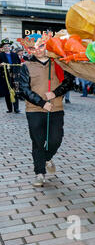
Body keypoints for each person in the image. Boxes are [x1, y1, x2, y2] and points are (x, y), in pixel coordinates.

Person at [18, 33, 73, 187]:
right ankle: (39, 173)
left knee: (56, 139)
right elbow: (24, 89)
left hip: (56, 108)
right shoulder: (26, 66)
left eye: (41, 46)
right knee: (38, 142)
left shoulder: (58, 63)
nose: (38, 50)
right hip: (34, 110)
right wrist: (42, 103)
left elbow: (69, 82)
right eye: (32, 48)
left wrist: (55, 93)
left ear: (46, 45)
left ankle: (47, 158)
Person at [0, 38, 21, 113]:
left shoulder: (15, 55)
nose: (6, 47)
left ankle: (16, 108)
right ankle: (9, 109)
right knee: (7, 92)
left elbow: (19, 63)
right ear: (3, 47)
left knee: (15, 91)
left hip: (14, 76)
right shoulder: (1, 55)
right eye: (5, 46)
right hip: (5, 76)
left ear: (10, 47)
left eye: (8, 46)